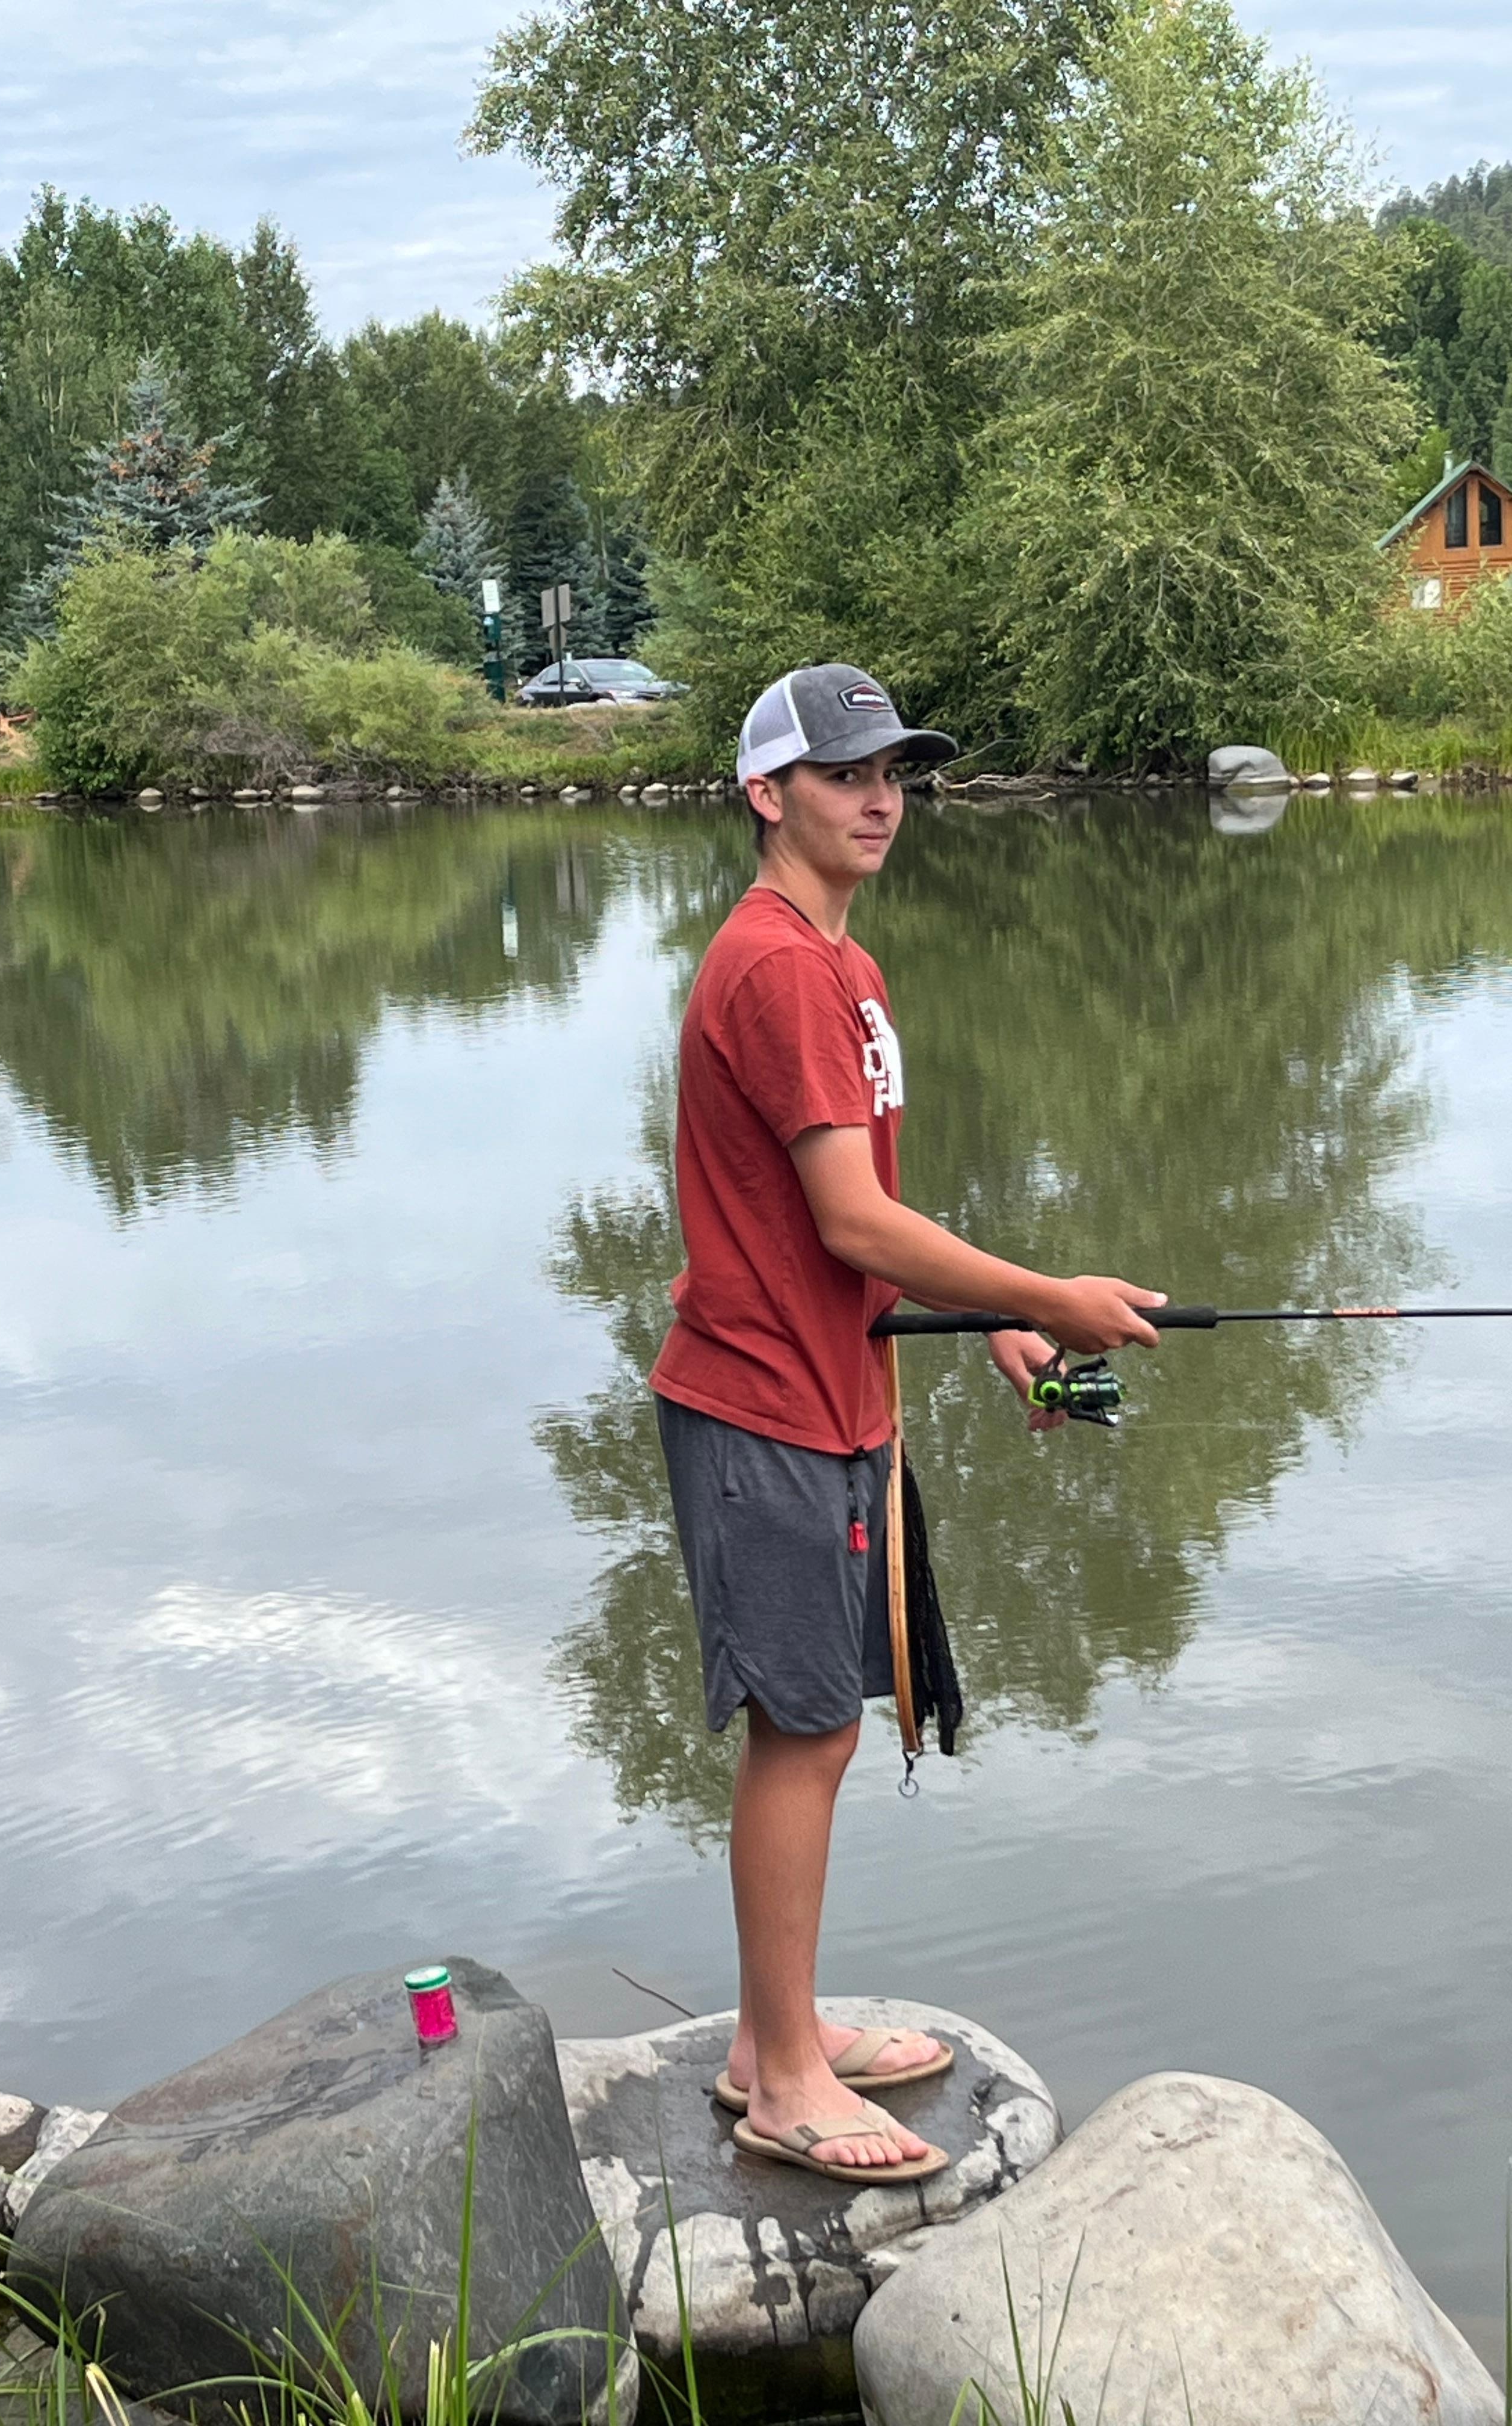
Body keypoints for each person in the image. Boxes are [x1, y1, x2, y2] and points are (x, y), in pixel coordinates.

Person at [649, 664, 1165, 2185]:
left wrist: (991, 1316)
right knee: (800, 1731)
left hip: (831, 1395)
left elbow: (841, 1242)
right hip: (760, 1411)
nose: (883, 797)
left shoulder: (843, 969)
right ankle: (785, 2074)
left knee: (823, 1733)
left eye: (898, 772)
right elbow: (851, 1219)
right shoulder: (780, 970)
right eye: (848, 772)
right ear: (769, 795)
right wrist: (1053, 1291)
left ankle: (773, 2031)